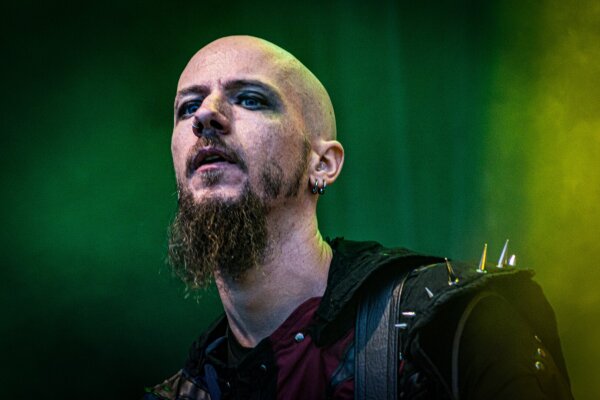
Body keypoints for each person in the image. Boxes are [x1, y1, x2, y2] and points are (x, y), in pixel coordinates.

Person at [144, 35, 573, 399]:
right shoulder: (185, 390)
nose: (205, 116)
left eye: (251, 99)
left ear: (324, 164)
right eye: (188, 107)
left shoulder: (451, 330)